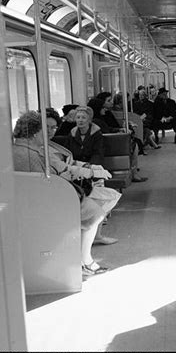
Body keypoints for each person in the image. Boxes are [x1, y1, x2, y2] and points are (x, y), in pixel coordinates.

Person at [12, 111, 118, 275]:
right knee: (95, 213)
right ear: (34, 133)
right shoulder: (35, 154)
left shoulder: (15, 150)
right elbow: (50, 181)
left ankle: (83, 259)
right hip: (47, 201)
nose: (48, 133)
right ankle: (85, 261)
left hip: (29, 201)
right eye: (44, 130)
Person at [46, 110, 119, 246]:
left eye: (53, 128)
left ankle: (96, 235)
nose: (80, 120)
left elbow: (97, 152)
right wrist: (89, 171)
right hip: (67, 182)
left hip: (82, 170)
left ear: (89, 119)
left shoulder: (96, 133)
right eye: (78, 117)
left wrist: (91, 167)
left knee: (109, 196)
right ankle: (89, 244)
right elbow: (65, 164)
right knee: (105, 200)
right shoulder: (68, 136)